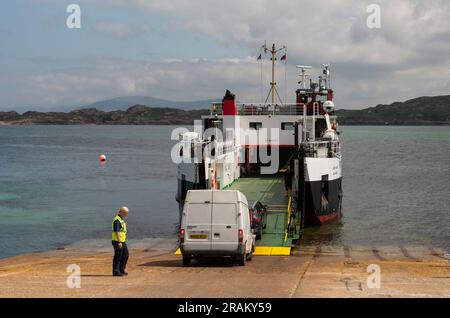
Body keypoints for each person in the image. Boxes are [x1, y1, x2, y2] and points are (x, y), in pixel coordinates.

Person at [112, 206, 129, 277]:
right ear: (121, 212)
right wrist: (119, 242)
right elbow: (117, 232)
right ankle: (116, 271)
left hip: (122, 241)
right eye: (125, 213)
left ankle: (122, 269)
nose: (126, 214)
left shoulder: (121, 219)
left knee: (126, 255)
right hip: (117, 241)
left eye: (127, 213)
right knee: (118, 256)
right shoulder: (117, 220)